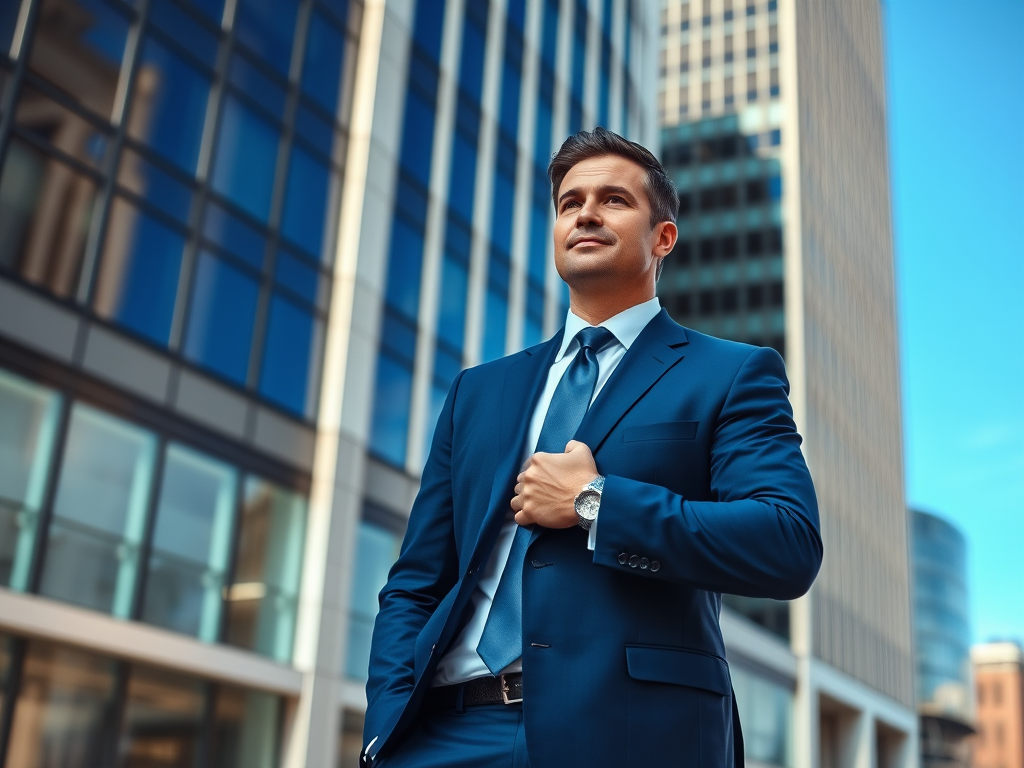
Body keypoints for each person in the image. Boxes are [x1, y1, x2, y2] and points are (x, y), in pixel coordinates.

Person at [361, 128, 821, 768]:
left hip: (633, 736)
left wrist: (593, 502)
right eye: (569, 201)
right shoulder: (479, 391)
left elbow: (787, 541)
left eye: (613, 200)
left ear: (662, 238)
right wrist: (386, 721)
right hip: (448, 732)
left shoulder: (731, 374)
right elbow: (417, 580)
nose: (585, 212)